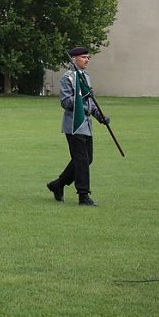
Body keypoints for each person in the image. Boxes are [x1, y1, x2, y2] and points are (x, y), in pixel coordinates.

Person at [46, 46, 109, 207]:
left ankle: (58, 184)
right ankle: (83, 195)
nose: (87, 60)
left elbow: (90, 103)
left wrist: (100, 116)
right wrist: (81, 97)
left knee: (87, 159)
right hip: (74, 124)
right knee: (81, 160)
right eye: (83, 57)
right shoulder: (67, 78)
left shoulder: (85, 77)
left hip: (86, 124)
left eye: (88, 57)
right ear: (74, 59)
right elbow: (66, 102)